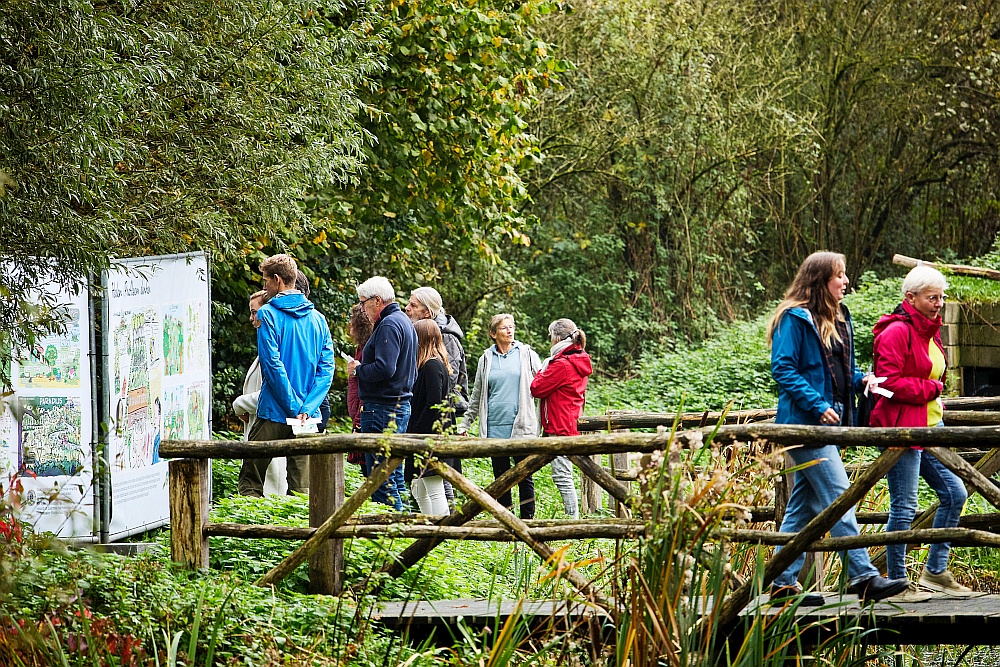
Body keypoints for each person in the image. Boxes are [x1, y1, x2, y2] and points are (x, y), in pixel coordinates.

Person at [766, 251, 908, 604]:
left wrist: (864, 381)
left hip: (830, 424)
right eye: (840, 275)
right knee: (841, 498)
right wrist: (818, 405)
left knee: (803, 507)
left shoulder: (839, 317)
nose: (846, 282)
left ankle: (782, 582)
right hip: (804, 426)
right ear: (819, 281)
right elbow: (784, 369)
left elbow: (837, 371)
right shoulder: (793, 319)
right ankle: (861, 575)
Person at [872, 265, 973, 599]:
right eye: (932, 297)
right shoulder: (895, 332)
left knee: (955, 493)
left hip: (931, 426)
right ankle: (897, 584)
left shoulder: (930, 330)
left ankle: (935, 572)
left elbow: (931, 373)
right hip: (903, 428)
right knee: (904, 506)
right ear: (910, 297)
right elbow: (886, 383)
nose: (939, 303)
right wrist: (930, 389)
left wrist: (934, 395)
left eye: (941, 297)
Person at [237, 254, 335, 497]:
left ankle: (249, 533)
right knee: (303, 489)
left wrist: (292, 406)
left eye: (265, 281)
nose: (264, 287)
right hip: (307, 418)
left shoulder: (267, 315)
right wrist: (307, 408)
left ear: (277, 280)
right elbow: (326, 370)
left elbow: (272, 366)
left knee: (251, 480)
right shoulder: (318, 319)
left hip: (274, 410)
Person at [458, 314, 541, 519]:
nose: (509, 331)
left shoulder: (526, 353)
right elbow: (477, 396)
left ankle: (527, 521)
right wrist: (465, 423)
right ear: (493, 333)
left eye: (511, 327)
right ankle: (506, 520)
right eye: (504, 328)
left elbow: (543, 384)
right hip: (495, 427)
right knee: (502, 478)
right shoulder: (486, 359)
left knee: (524, 475)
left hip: (521, 424)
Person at [347, 276, 417, 511]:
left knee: (380, 479)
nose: (363, 309)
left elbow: (386, 368)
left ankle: (389, 530)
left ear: (377, 300)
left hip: (382, 409)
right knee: (393, 476)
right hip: (398, 406)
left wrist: (359, 370)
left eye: (364, 303)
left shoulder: (388, 325)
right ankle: (403, 528)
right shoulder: (404, 321)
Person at [406, 286, 469, 509]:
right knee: (421, 485)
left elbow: (443, 394)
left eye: (413, 305)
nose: (407, 308)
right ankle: (433, 530)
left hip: (434, 430)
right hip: (427, 429)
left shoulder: (442, 347)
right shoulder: (425, 359)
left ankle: (445, 527)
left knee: (439, 485)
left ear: (427, 312)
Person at [530, 319, 592, 519]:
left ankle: (572, 520)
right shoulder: (576, 358)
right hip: (567, 421)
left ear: (556, 337)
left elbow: (536, 388)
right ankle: (572, 518)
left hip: (560, 425)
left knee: (562, 476)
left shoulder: (561, 364)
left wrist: (542, 369)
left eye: (550, 336)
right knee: (563, 473)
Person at [234, 289, 286, 495]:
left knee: (269, 489)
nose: (251, 318)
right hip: (258, 426)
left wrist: (239, 404)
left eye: (255, 312)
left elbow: (272, 393)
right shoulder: (266, 347)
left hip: (270, 425)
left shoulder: (276, 350)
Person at [346, 304, 373, 474]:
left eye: (352, 320)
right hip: (358, 415)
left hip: (364, 417)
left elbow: (367, 385)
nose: (350, 324)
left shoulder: (368, 349)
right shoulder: (360, 348)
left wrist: (358, 423)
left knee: (373, 473)